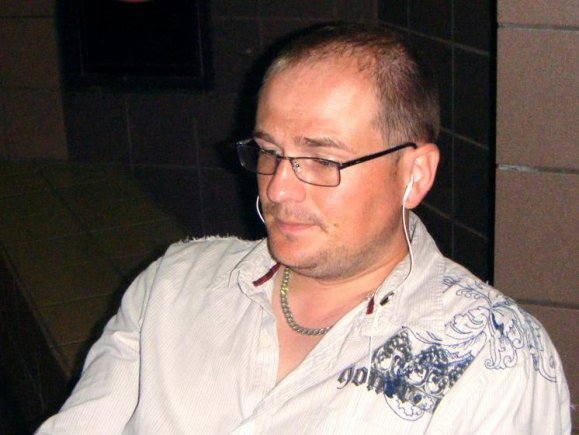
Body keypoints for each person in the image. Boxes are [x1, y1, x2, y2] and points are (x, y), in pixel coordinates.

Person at [37, 23, 571, 434]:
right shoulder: (173, 287)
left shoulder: (492, 359)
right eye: (269, 151)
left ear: (414, 175)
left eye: (322, 160)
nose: (278, 189)